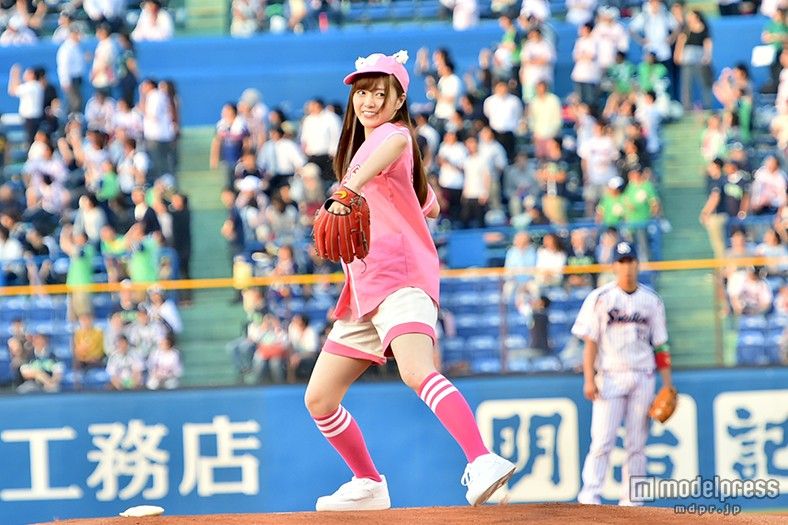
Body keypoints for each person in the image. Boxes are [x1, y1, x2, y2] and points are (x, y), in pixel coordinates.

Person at [304, 51, 515, 511]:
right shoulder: (365, 152)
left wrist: (347, 189)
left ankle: (481, 459)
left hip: (400, 280)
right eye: (362, 92)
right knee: (319, 398)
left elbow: (393, 148)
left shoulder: (393, 136)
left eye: (381, 93)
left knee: (416, 370)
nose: (369, 101)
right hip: (364, 293)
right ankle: (368, 483)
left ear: (399, 101)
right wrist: (403, 196)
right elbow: (430, 204)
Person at [571, 241, 673, 505]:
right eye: (621, 261)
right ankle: (590, 496)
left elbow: (661, 345)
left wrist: (667, 384)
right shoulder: (601, 298)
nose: (626, 266)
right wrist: (589, 379)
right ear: (614, 266)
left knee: (636, 443)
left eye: (630, 261)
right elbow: (590, 341)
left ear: (637, 264)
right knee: (602, 440)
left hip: (643, 375)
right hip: (610, 375)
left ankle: (632, 502)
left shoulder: (651, 300)